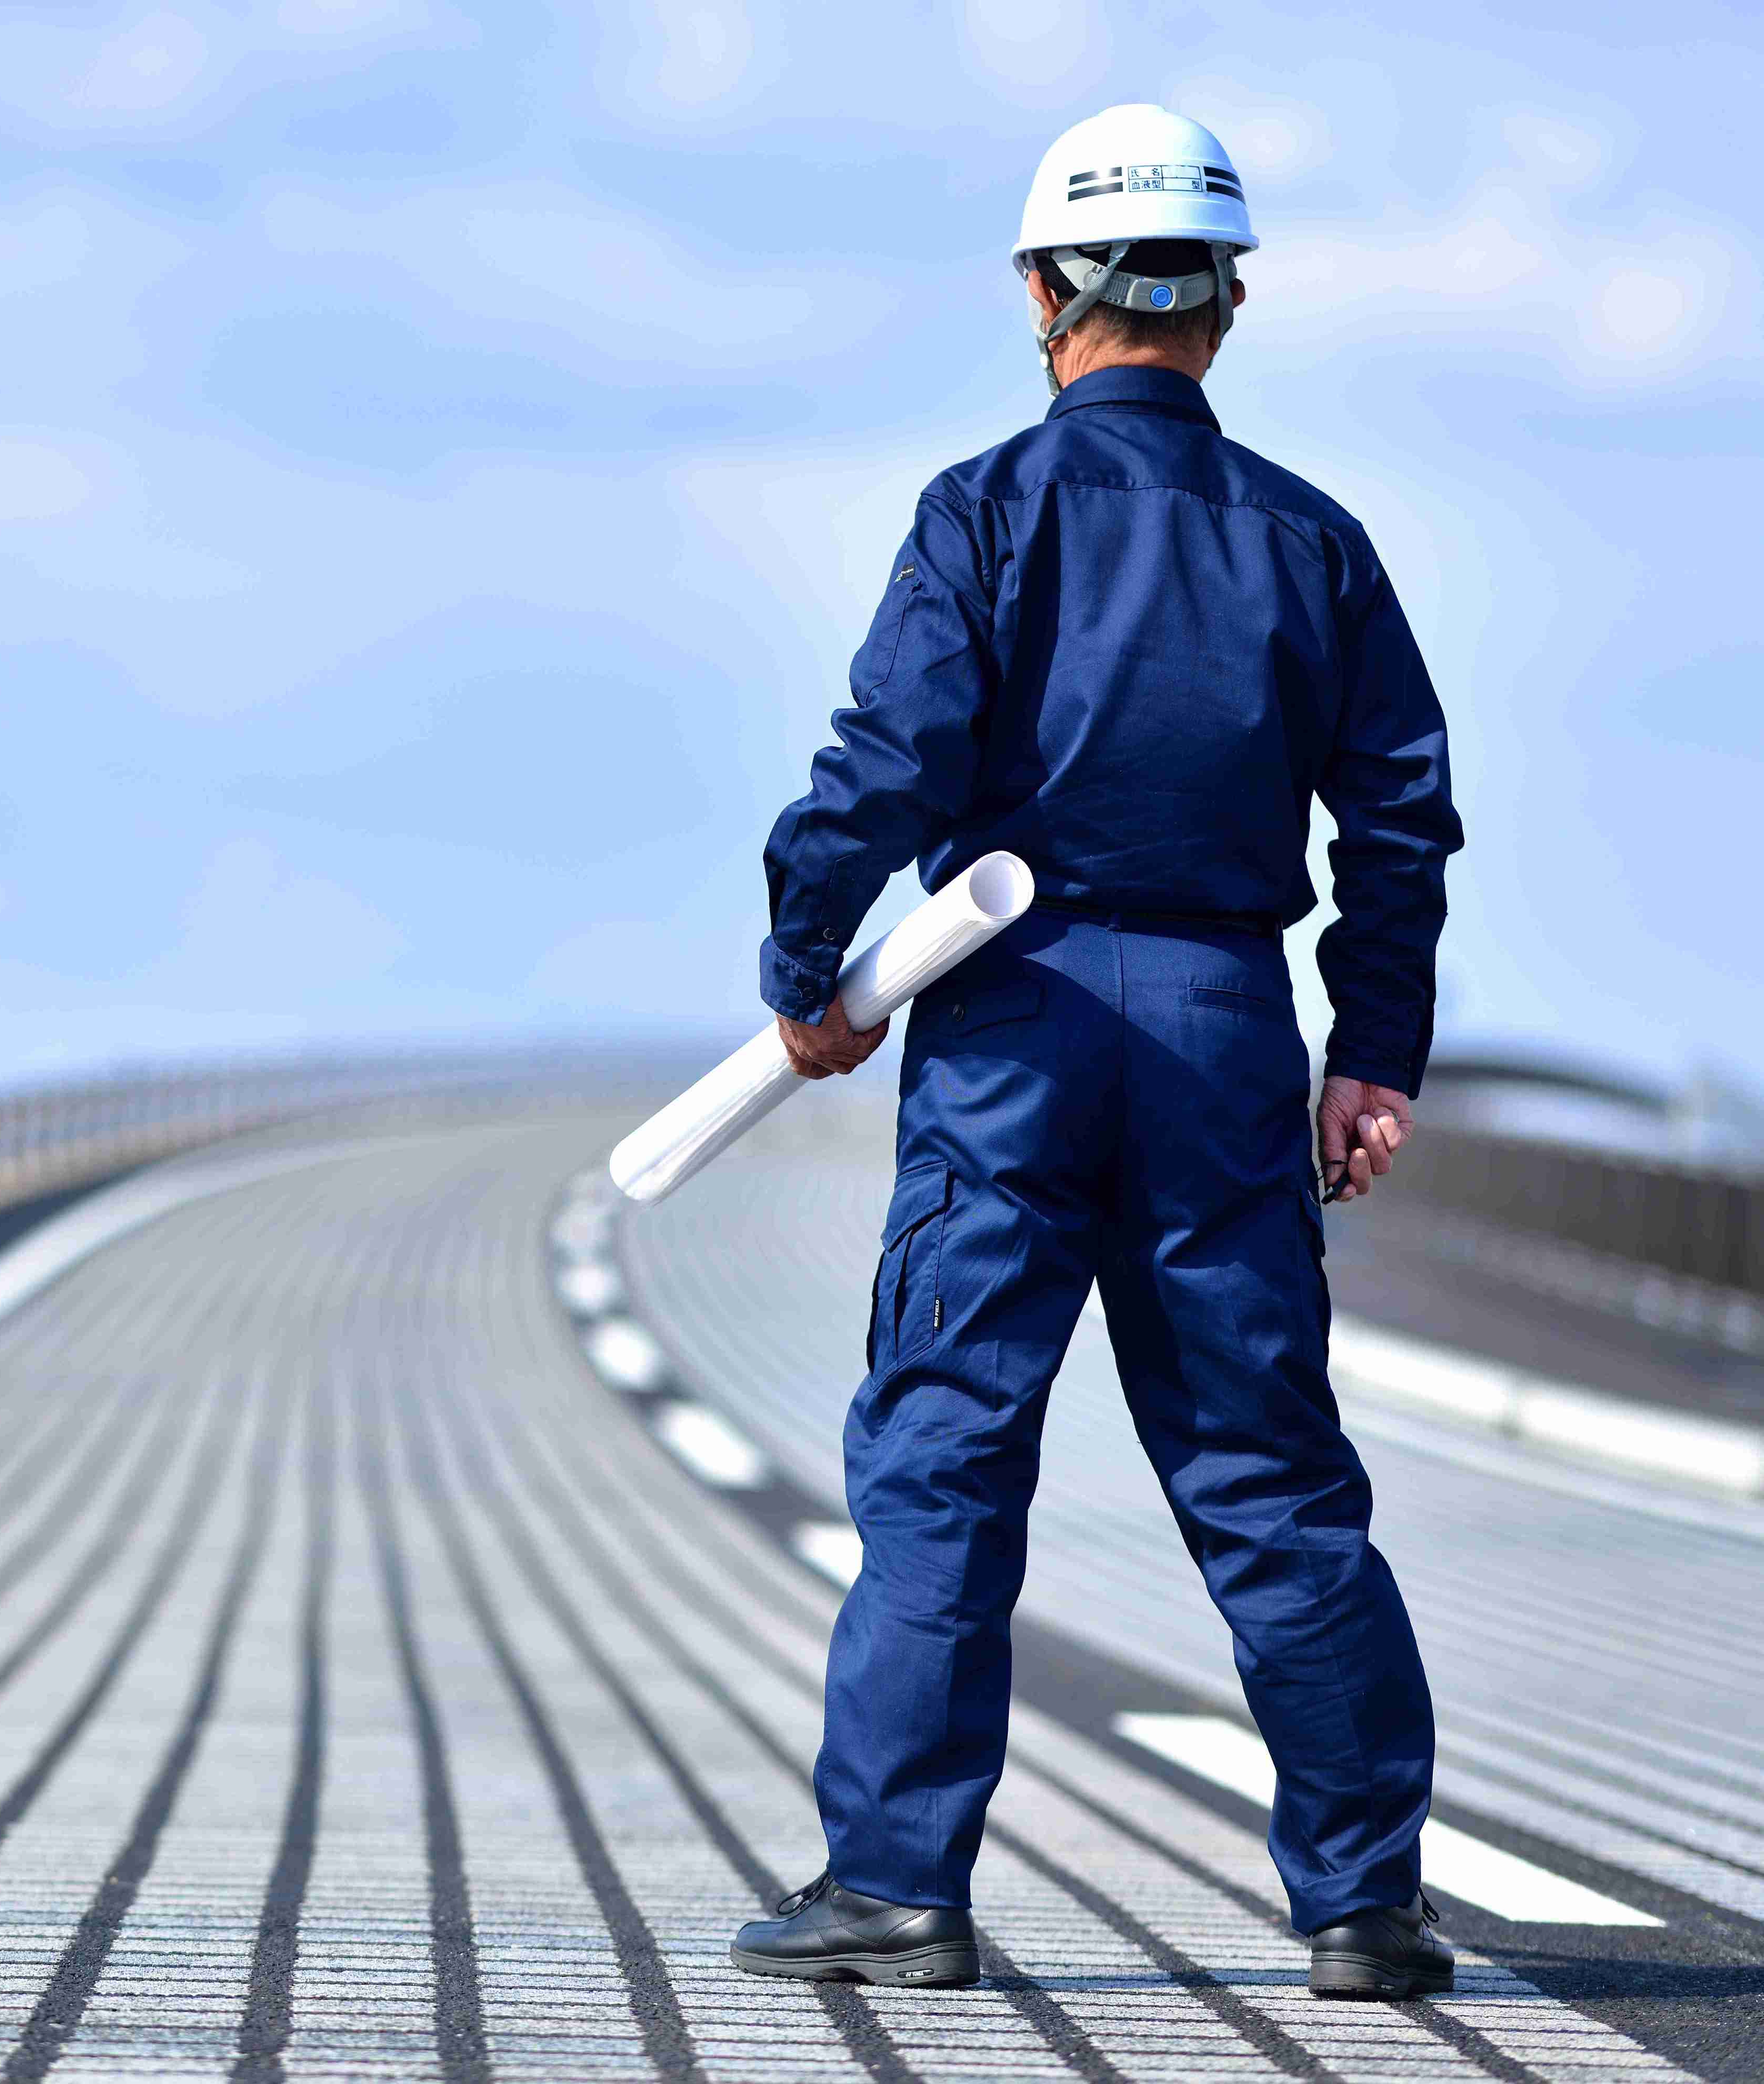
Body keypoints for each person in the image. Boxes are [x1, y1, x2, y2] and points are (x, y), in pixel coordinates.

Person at [722, 104, 1463, 2002]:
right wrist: (1369, 1047)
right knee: (1272, 1473)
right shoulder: (1320, 542)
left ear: (1046, 294)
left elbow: (885, 760)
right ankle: (1365, 1907)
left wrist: (811, 966)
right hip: (1226, 1028)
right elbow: (1397, 817)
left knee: (949, 1458)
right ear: (1224, 303)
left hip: (1011, 1021)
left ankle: (898, 1887)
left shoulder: (981, 513)